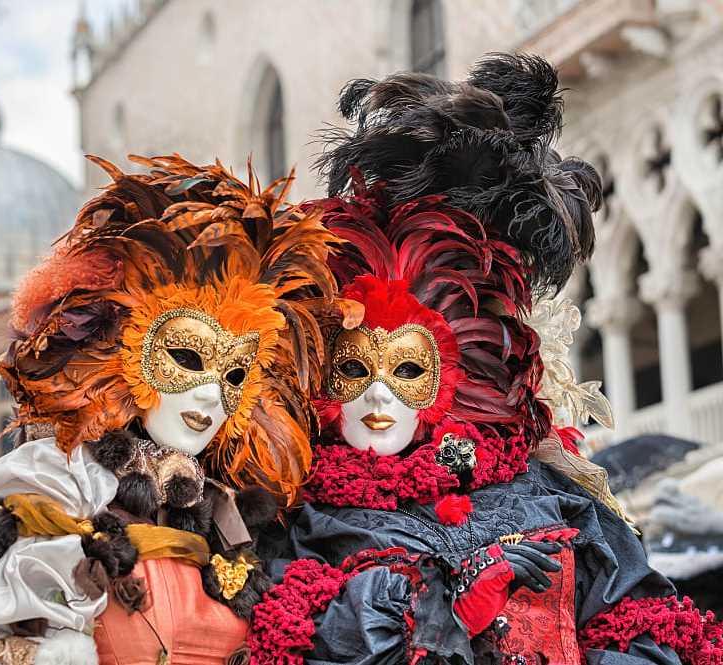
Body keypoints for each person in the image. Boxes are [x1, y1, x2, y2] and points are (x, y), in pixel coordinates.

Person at [248, 54, 723, 665]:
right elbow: (309, 643)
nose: (377, 398)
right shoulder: (306, 521)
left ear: (453, 379)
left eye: (408, 371)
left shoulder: (545, 496)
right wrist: (449, 613)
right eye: (354, 370)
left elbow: (639, 624)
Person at [0, 154, 338, 665]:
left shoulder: (225, 512)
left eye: (234, 376)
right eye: (187, 359)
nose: (210, 394)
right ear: (124, 357)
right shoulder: (63, 490)